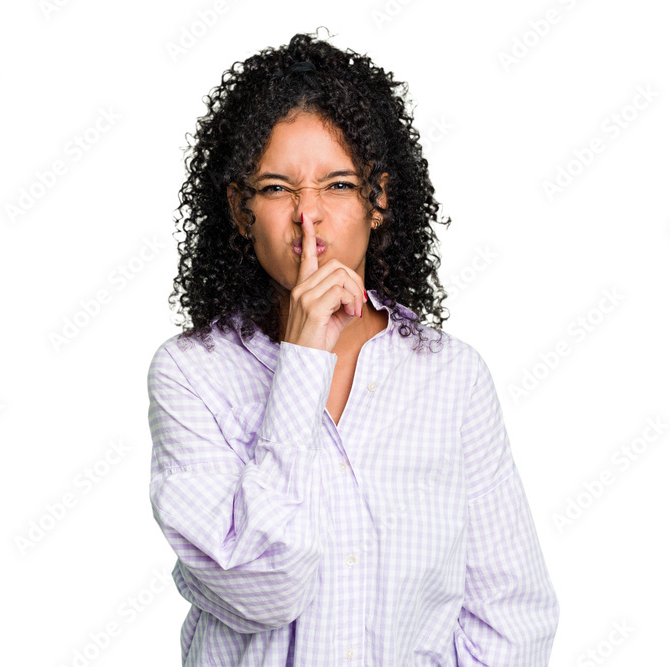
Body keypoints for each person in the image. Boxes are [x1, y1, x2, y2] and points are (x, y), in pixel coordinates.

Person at [147, 28, 560, 666]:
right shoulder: (190, 374)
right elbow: (263, 590)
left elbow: (511, 619)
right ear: (241, 210)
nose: (307, 216)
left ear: (378, 200)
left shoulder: (451, 377)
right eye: (277, 188)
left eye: (338, 185)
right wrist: (302, 358)